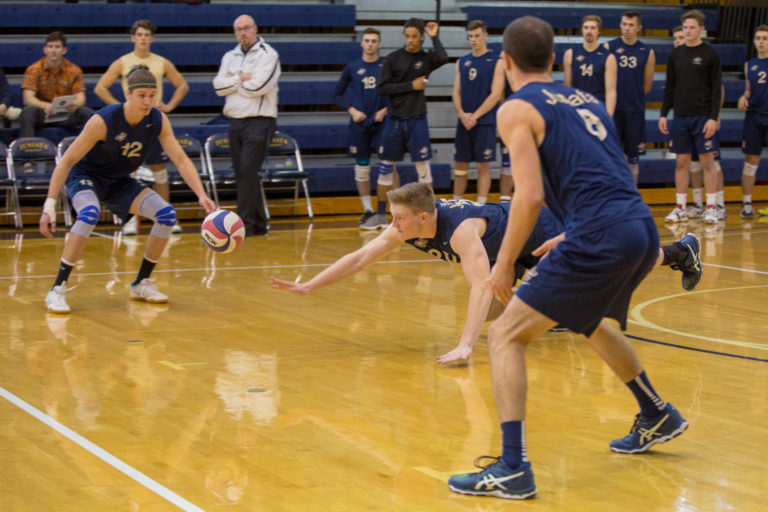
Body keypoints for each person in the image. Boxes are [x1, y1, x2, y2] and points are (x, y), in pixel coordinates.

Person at [447, 17, 690, 499]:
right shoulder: (586, 99)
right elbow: (609, 173)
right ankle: (656, 414)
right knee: (595, 321)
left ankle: (513, 465)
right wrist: (580, 231)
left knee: (504, 335)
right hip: (638, 225)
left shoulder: (516, 108)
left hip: (601, 232)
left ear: (506, 62)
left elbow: (529, 195)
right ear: (555, 61)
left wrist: (502, 264)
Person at [270, 182, 702, 365]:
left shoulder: (460, 232)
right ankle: (548, 308)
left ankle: (680, 252)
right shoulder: (408, 225)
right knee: (520, 314)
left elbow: (480, 286)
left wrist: (463, 346)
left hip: (540, 231)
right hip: (509, 255)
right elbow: (362, 258)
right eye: (392, 218)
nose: (393, 226)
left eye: (399, 218)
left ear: (424, 217)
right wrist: (310, 285)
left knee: (612, 267)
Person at [39, 66, 216, 314]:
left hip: (119, 180)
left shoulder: (157, 119)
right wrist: (49, 206)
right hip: (87, 177)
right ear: (128, 94)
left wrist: (201, 194)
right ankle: (57, 288)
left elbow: (182, 160)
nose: (147, 101)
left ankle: (141, 282)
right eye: (142, 95)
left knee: (166, 215)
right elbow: (66, 162)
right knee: (89, 214)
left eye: (151, 95)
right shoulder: (104, 121)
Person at [95, 19, 190, 235]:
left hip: (152, 123)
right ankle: (129, 220)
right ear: (133, 38)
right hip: (129, 125)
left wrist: (169, 106)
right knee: (129, 173)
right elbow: (100, 87)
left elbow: (182, 85)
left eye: (147, 35)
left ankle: (167, 217)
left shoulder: (161, 62)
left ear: (152, 39)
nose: (143, 39)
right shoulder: (122, 62)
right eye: (139, 35)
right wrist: (120, 108)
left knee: (160, 172)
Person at [372, 18, 449, 230]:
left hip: (417, 119)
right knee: (385, 168)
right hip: (395, 120)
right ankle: (380, 214)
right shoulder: (393, 58)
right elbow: (383, 88)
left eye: (415, 36)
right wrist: (411, 86)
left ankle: (430, 216)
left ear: (421, 37)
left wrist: (435, 37)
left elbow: (443, 57)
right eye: (407, 36)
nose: (410, 40)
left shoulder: (425, 59)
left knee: (424, 170)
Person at [213, 14, 280, 237]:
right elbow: (218, 87)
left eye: (247, 28)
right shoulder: (229, 55)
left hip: (259, 121)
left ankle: (243, 225)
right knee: (243, 173)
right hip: (235, 121)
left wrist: (233, 80)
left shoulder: (268, 55)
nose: (243, 32)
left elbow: (258, 88)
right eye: (238, 29)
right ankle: (259, 223)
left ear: (255, 28)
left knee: (248, 170)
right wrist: (242, 78)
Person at [659, 10, 722, 224]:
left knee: (707, 162)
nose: (688, 31)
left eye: (692, 27)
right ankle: (680, 208)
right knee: (681, 162)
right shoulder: (675, 55)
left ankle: (711, 207)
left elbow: (715, 90)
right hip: (680, 117)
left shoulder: (710, 54)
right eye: (685, 27)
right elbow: (670, 87)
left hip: (702, 117)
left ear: (702, 29)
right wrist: (663, 113)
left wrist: (713, 117)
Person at [333, 27, 390, 228]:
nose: (370, 44)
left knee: (387, 166)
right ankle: (367, 210)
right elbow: (337, 94)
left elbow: (396, 93)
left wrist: (385, 110)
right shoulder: (352, 67)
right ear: (361, 43)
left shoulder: (386, 66)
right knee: (362, 167)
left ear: (379, 43)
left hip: (382, 124)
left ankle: (384, 211)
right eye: (367, 40)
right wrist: (352, 111)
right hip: (359, 125)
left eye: (374, 41)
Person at [20, 31, 94, 168]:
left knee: (86, 112)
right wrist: (44, 105)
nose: (53, 50)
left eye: (57, 47)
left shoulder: (74, 70)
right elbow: (27, 98)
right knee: (28, 111)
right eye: (50, 46)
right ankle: (28, 161)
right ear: (45, 49)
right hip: (43, 113)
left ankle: (88, 157)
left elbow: (81, 98)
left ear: (64, 50)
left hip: (65, 113)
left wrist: (74, 104)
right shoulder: (34, 69)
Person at [452, 20, 506, 205]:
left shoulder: (496, 61)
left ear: (485, 35)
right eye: (471, 36)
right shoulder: (462, 61)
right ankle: (456, 204)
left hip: (484, 122)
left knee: (483, 166)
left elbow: (496, 94)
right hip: (464, 122)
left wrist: (474, 116)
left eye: (477, 36)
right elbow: (456, 92)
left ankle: (481, 207)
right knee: (460, 166)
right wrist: (461, 114)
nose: (473, 39)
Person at [606, 12, 655, 185]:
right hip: (612, 110)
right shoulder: (608, 47)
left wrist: (632, 97)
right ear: (620, 25)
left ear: (639, 28)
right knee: (611, 155)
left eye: (631, 25)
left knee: (633, 157)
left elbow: (647, 85)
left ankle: (631, 197)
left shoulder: (646, 51)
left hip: (634, 110)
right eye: (624, 24)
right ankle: (612, 197)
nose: (627, 28)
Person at [738, 25, 768, 218]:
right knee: (751, 161)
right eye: (758, 38)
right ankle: (747, 203)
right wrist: (743, 97)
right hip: (754, 116)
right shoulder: (750, 64)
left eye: (765, 38)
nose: (761, 41)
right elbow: (748, 90)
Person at [563, 15, 617, 115]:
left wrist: (608, 118)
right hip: (577, 110)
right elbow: (567, 88)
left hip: (598, 110)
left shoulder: (609, 57)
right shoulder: (570, 54)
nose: (589, 31)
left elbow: (611, 92)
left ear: (599, 31)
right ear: (582, 30)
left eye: (593, 28)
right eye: (586, 27)